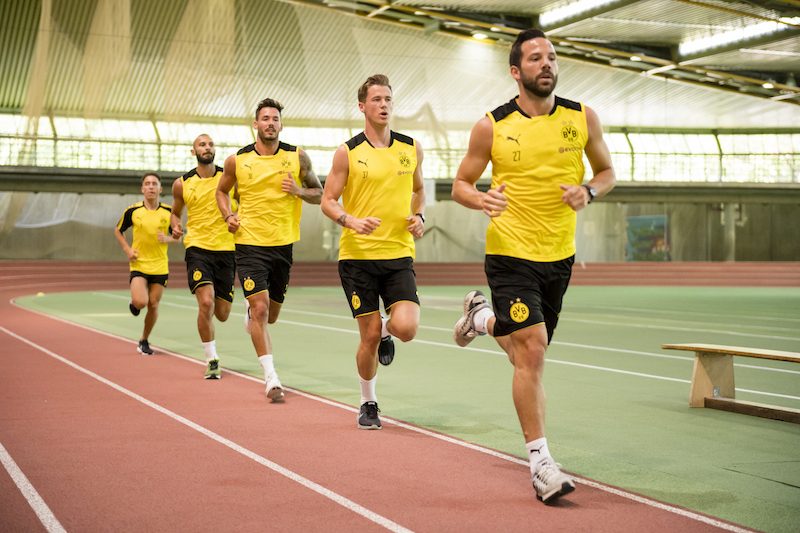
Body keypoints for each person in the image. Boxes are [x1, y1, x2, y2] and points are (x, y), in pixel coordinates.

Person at [451, 28, 616, 503]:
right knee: (534, 351)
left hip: (558, 257)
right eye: (536, 58)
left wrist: (589, 190)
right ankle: (541, 463)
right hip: (509, 253)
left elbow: (607, 172)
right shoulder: (492, 125)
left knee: (525, 353)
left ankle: (481, 318)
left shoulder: (583, 118)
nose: (547, 64)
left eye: (552, 57)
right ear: (515, 71)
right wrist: (481, 199)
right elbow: (461, 183)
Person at [321, 74, 426, 430]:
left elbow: (419, 190)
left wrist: (419, 215)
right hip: (357, 258)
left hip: (398, 253)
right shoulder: (347, 152)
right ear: (362, 106)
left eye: (388, 99)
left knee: (407, 328)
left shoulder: (411, 148)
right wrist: (349, 220)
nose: (384, 105)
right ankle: (368, 402)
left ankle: (387, 331)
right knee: (367, 335)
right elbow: (327, 200)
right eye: (377, 99)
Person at [216, 98, 322, 402]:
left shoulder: (297, 157)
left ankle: (253, 311)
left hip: (282, 246)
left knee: (270, 315)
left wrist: (299, 191)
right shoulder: (237, 160)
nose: (270, 123)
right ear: (256, 124)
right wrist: (228, 216)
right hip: (249, 244)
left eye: (275, 118)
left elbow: (320, 193)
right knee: (260, 310)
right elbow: (221, 192)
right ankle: (271, 377)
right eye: (265, 118)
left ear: (281, 124)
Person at [170, 134, 237, 380]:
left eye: (210, 144)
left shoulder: (229, 178)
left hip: (227, 250)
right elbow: (175, 214)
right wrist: (175, 226)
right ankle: (211, 359)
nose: (207, 148)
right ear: (193, 151)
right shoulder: (182, 183)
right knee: (205, 303)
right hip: (197, 248)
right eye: (202, 144)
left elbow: (246, 203)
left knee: (222, 313)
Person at [114, 172, 180, 355]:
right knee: (141, 301)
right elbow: (118, 230)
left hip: (160, 266)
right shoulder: (133, 211)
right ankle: (134, 303)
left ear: (160, 189)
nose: (151, 187)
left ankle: (144, 340)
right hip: (139, 264)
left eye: (154, 184)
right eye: (147, 184)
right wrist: (128, 250)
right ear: (142, 189)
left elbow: (178, 237)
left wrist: (169, 238)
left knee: (154, 305)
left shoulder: (169, 212)